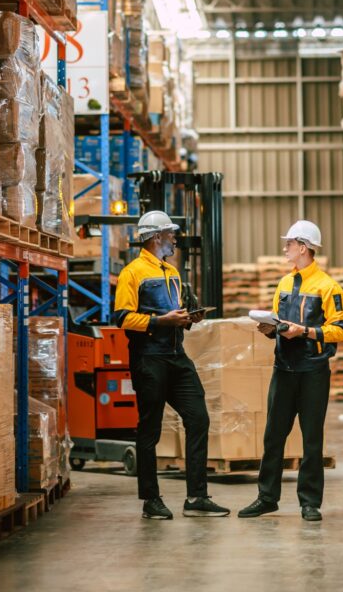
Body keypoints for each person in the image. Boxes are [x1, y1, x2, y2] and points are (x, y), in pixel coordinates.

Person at [114, 210, 230, 520]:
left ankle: (197, 497)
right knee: (149, 430)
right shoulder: (132, 273)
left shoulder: (171, 272)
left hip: (177, 356)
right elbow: (123, 318)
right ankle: (151, 500)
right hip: (149, 358)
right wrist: (161, 321)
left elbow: (174, 315)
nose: (174, 238)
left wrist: (187, 320)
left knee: (198, 418)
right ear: (155, 238)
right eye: (169, 234)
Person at [239, 220, 343, 522]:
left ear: (303, 247)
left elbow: (339, 332)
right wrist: (269, 329)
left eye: (289, 243)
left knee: (311, 440)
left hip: (313, 372)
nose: (285, 247)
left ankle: (310, 503)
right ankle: (266, 498)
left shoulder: (328, 287)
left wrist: (304, 332)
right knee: (274, 436)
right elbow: (279, 322)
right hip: (284, 370)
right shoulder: (285, 285)